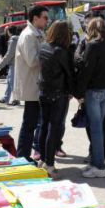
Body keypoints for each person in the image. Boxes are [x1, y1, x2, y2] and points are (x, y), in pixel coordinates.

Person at [74, 17, 105, 178]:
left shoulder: (92, 45)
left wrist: (78, 92)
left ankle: (99, 166)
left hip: (93, 91)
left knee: (96, 129)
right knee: (99, 127)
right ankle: (96, 162)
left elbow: (86, 70)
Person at [38, 21, 75, 179]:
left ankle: (42, 160)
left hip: (44, 91)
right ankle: (49, 164)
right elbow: (69, 73)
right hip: (58, 94)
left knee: (44, 126)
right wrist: (74, 92)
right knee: (54, 128)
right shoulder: (61, 51)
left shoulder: (44, 46)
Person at [14, 5, 48, 162]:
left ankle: (25, 155)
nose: (47, 21)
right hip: (31, 85)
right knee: (29, 124)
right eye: (45, 17)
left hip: (37, 85)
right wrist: (49, 55)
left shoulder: (38, 33)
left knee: (33, 122)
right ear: (35, 18)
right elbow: (32, 60)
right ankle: (22, 156)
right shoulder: (28, 35)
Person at [0, 26, 19, 105]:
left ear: (9, 32)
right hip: (16, 63)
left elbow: (9, 54)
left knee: (12, 82)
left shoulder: (13, 40)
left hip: (14, 63)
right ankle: (6, 98)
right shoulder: (18, 39)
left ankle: (16, 99)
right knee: (9, 82)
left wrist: (1, 64)